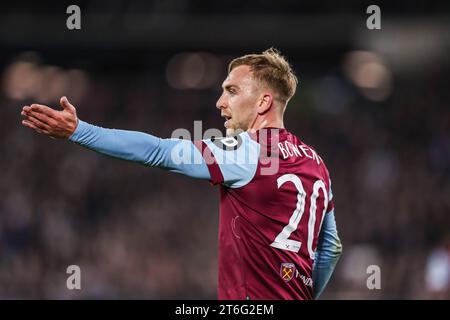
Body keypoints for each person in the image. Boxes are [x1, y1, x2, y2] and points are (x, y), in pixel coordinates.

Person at [21, 48, 342, 300]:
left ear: (263, 102)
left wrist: (80, 130)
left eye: (231, 91)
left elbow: (159, 151)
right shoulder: (317, 164)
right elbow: (331, 248)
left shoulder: (250, 150)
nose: (220, 102)